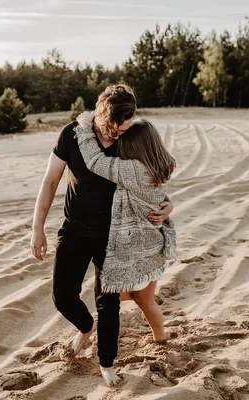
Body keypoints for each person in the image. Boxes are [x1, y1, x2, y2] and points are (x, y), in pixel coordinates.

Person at [30, 84, 173, 386]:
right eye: (115, 129)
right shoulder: (72, 135)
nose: (118, 135)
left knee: (108, 303)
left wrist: (167, 204)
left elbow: (149, 180)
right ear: (100, 115)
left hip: (114, 236)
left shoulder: (127, 139)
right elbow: (50, 181)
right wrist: (37, 227)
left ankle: (107, 363)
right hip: (74, 230)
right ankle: (85, 327)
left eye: (124, 129)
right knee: (62, 296)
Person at [73, 114, 177, 347]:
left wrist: (84, 129)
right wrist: (170, 205)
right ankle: (161, 336)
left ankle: (150, 331)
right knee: (145, 300)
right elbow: (158, 197)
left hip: (137, 248)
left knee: (109, 295)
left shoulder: (132, 170)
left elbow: (96, 162)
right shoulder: (159, 166)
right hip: (153, 246)